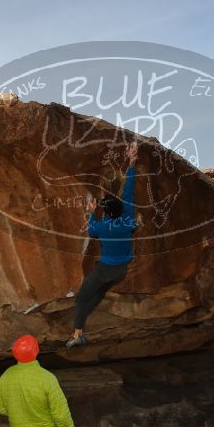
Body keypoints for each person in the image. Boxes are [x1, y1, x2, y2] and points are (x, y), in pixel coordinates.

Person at [66, 142, 139, 348]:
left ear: (106, 212)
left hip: (105, 269)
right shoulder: (126, 218)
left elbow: (91, 232)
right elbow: (129, 190)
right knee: (98, 293)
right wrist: (132, 162)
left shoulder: (102, 227)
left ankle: (78, 334)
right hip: (121, 271)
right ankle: (86, 319)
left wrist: (91, 212)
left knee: (81, 300)